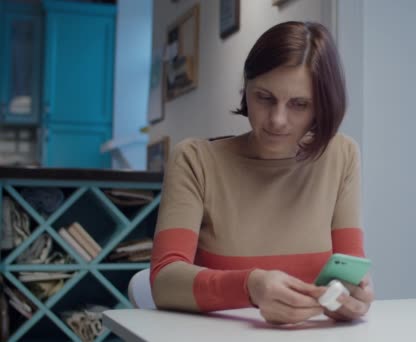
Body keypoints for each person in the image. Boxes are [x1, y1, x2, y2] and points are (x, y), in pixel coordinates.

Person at [150, 21, 374, 325]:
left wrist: (353, 297)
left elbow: (349, 271)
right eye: (264, 98)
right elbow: (164, 281)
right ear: (247, 88)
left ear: (322, 106)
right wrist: (250, 286)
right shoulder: (195, 160)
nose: (277, 120)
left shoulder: (342, 155)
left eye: (299, 104)